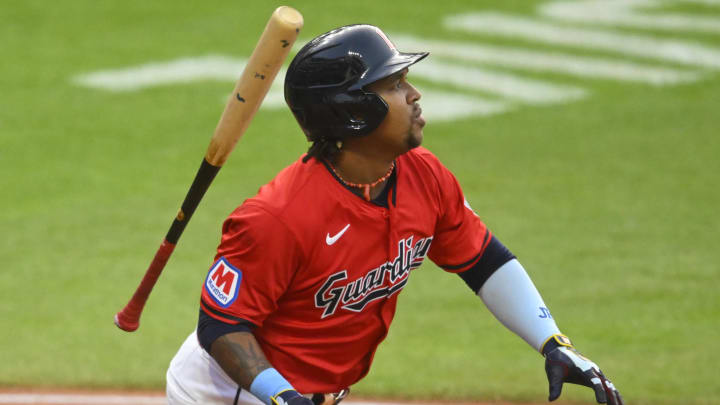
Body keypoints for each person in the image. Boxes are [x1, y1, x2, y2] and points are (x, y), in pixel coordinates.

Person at [165, 24, 624, 405]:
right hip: (232, 395)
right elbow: (222, 326)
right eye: (395, 84)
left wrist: (553, 343)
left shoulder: (423, 176)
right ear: (354, 113)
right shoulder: (278, 217)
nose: (415, 94)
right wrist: (283, 396)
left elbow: (484, 261)